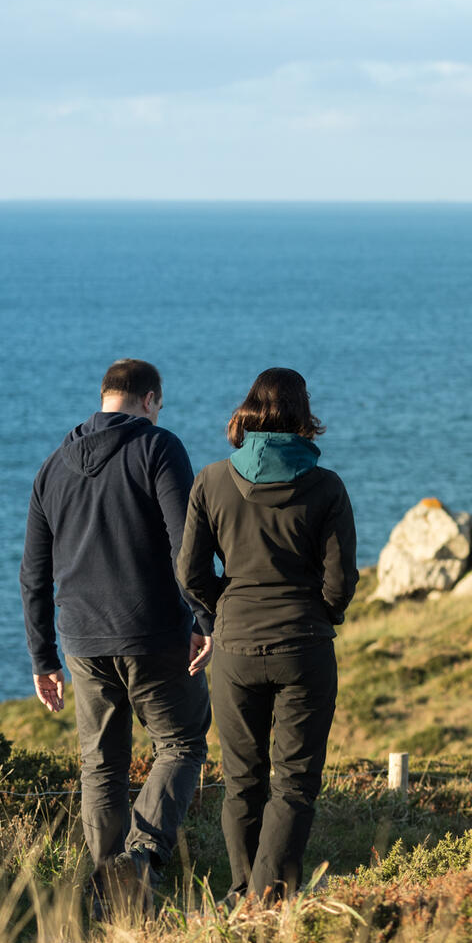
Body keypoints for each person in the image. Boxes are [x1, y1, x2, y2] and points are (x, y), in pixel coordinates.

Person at [20, 358, 212, 915]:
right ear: (150, 399)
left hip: (80, 639)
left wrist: (42, 657)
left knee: (100, 764)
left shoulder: (52, 467)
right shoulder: (158, 447)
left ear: (105, 397)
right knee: (180, 743)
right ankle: (139, 859)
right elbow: (187, 546)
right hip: (152, 632)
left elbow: (34, 572)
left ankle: (112, 895)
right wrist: (205, 619)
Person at [177, 368, 357, 902]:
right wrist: (321, 615)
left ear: (248, 412)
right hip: (303, 647)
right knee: (294, 782)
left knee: (242, 780)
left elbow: (189, 573)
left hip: (233, 647)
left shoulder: (210, 480)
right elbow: (340, 579)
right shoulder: (326, 486)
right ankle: (267, 900)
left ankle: (242, 894)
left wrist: (224, 611)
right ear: (304, 417)